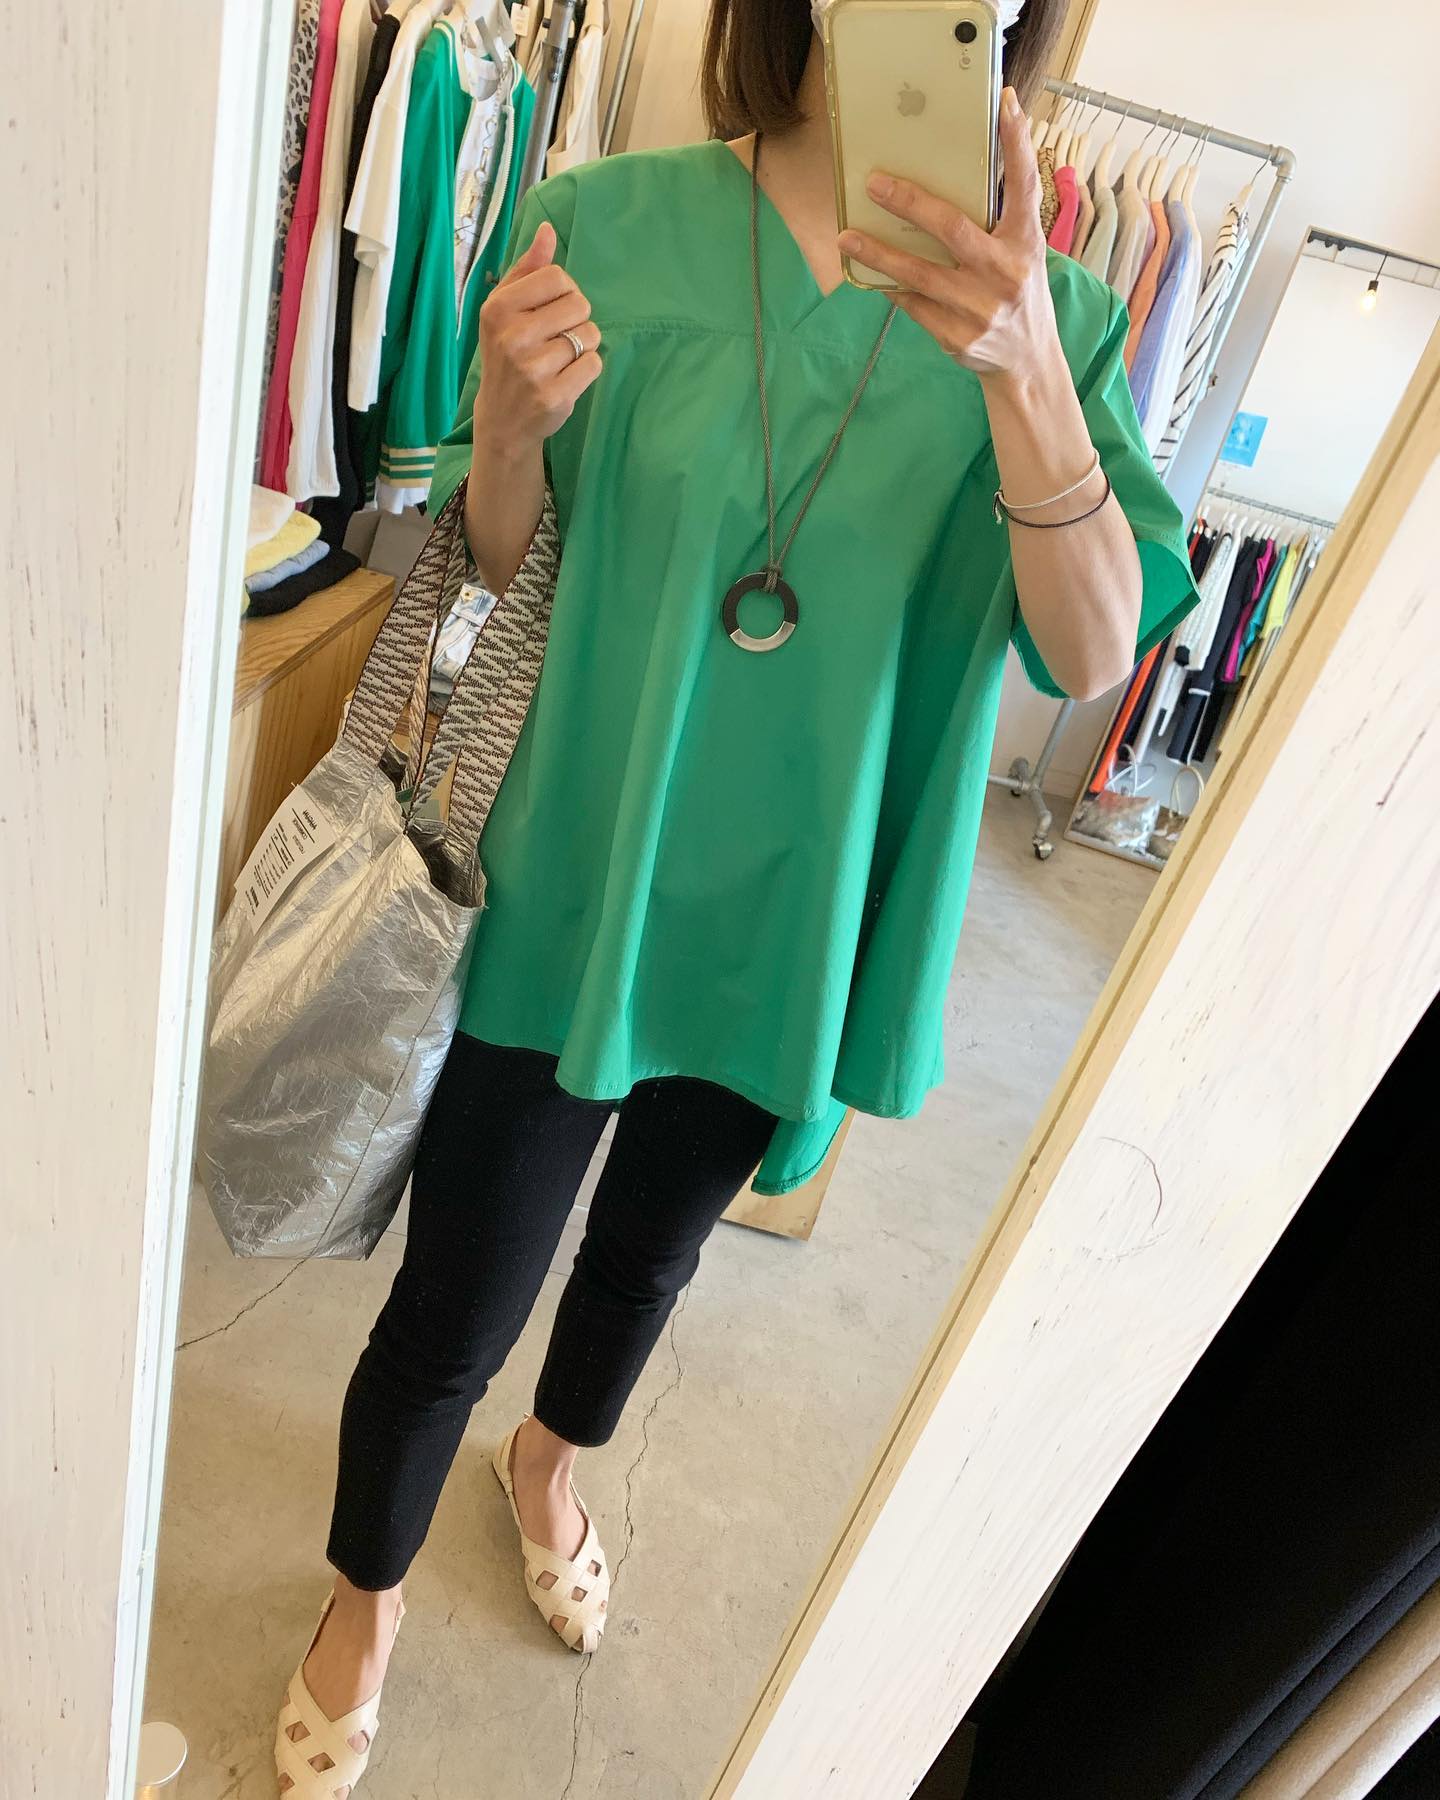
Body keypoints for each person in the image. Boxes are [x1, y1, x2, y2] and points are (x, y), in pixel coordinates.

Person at [275, 0, 1198, 1790]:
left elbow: (1092, 655)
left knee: (652, 1254)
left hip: (795, 913)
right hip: (572, 876)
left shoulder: (1063, 317)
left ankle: (553, 1463)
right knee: (455, 1297)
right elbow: (493, 565)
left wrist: (1024, 373)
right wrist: (507, 428)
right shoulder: (611, 223)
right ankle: (362, 1597)